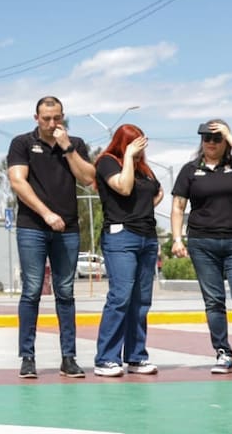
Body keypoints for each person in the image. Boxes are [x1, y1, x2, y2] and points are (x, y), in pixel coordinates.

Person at [7, 95, 95, 379]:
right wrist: (46, 214)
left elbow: (87, 178)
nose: (52, 123)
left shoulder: (75, 144)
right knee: (32, 290)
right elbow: (17, 181)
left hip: (68, 228)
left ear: (63, 117)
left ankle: (68, 358)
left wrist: (67, 147)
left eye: (57, 117)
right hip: (32, 226)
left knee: (66, 293)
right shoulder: (22, 143)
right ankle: (27, 357)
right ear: (36, 118)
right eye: (46, 118)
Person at [170, 119, 232, 376]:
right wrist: (177, 238)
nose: (210, 143)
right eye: (206, 138)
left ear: (225, 141)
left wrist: (230, 135)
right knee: (214, 301)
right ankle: (223, 353)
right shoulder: (190, 170)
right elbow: (178, 206)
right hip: (202, 243)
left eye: (216, 138)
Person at [91, 124, 162, 377]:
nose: (141, 149)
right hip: (121, 236)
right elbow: (123, 187)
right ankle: (106, 358)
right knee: (120, 297)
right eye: (136, 144)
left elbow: (158, 191)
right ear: (125, 142)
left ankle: (136, 357)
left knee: (141, 301)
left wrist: (142, 209)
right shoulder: (107, 162)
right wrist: (129, 157)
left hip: (147, 237)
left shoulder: (144, 168)